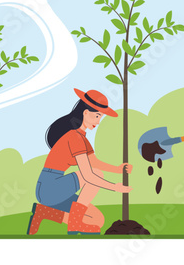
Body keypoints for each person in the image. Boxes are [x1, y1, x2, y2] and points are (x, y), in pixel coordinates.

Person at [27, 88, 132, 235]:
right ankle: (74, 224)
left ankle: (44, 213)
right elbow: (89, 175)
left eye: (100, 117)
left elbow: (94, 162)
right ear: (85, 113)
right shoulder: (74, 137)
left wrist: (118, 169)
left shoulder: (82, 139)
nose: (98, 121)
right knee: (96, 174)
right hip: (49, 187)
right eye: (97, 116)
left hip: (58, 189)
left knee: (96, 220)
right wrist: (115, 187)